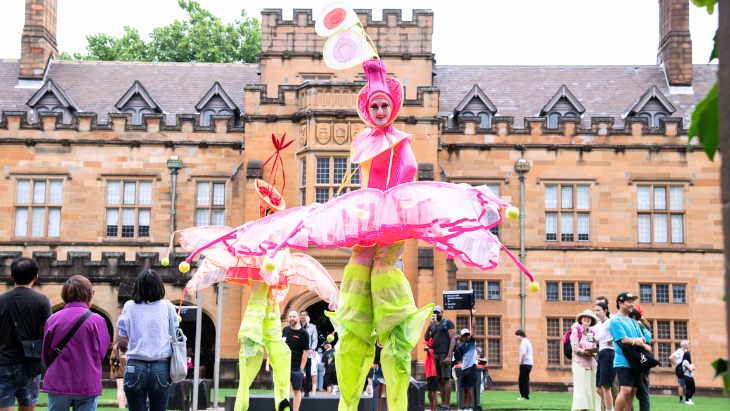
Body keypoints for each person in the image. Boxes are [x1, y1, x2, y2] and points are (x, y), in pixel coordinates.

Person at [42, 275, 111, 411]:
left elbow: (46, 353)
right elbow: (102, 353)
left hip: (58, 379)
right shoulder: (97, 320)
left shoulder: (53, 319)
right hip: (87, 380)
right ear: (88, 295)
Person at [117, 269, 178, 411]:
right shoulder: (168, 306)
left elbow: (123, 334)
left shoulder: (129, 306)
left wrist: (137, 340)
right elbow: (172, 333)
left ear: (138, 286)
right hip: (161, 366)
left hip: (135, 366)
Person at [0, 257, 52, 411]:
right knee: (27, 407)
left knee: (3, 405)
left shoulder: (1, 300)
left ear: (11, 276)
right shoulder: (42, 300)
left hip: (3, 361)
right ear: (35, 277)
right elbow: (48, 333)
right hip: (29, 363)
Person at [610, 292, 652, 411]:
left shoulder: (633, 322)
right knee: (625, 390)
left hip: (635, 361)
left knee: (633, 391)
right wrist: (640, 342)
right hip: (623, 360)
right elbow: (623, 339)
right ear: (620, 303)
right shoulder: (615, 320)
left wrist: (642, 341)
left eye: (632, 302)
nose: (632, 304)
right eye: (629, 302)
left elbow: (642, 337)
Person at [424, 306, 456, 411]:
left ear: (442, 312)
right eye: (434, 312)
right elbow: (426, 338)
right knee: (440, 380)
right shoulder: (434, 326)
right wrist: (429, 326)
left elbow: (452, 339)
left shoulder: (448, 323)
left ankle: (447, 405)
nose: (436, 314)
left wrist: (449, 356)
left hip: (445, 353)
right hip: (436, 355)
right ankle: (442, 405)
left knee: (446, 379)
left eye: (438, 312)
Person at [570, 310, 601, 411]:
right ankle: (580, 409)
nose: (587, 319)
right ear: (581, 319)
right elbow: (575, 348)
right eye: (585, 317)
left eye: (589, 317)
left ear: (591, 320)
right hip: (580, 363)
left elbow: (593, 346)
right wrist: (585, 351)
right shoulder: (576, 331)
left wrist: (593, 352)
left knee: (591, 389)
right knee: (581, 389)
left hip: (591, 365)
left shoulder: (591, 333)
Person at [283, 311, 309, 411]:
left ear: (298, 318)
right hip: (285, 366)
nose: (292, 318)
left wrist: (301, 368)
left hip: (297, 368)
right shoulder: (285, 330)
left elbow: (305, 352)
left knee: (296, 391)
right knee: (283, 391)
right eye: (290, 316)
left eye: (294, 316)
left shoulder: (303, 333)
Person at [628, 308, 651, 411]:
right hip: (645, 359)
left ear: (633, 317)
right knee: (643, 393)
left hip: (639, 360)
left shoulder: (637, 326)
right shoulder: (643, 326)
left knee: (633, 392)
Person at [593, 302, 614, 411]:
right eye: (595, 310)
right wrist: (595, 340)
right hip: (601, 354)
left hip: (608, 353)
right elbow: (602, 339)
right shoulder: (601, 324)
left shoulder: (610, 322)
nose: (596, 313)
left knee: (605, 387)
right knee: (598, 389)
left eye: (598, 310)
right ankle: (610, 408)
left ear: (605, 311)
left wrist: (612, 340)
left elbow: (620, 334)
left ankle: (609, 410)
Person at [458, 321, 477, 411]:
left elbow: (473, 327)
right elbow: (460, 356)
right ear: (462, 337)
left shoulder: (472, 342)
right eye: (465, 335)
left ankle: (470, 407)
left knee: (469, 387)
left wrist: (473, 316)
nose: (467, 336)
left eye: (468, 335)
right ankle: (464, 407)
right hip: (464, 368)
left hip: (471, 367)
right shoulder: (461, 346)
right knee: (464, 388)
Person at [300, 311, 318, 397]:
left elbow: (315, 339)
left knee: (308, 371)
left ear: (307, 316)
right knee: (298, 370)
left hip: (308, 352)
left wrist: (312, 349)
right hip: (298, 352)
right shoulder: (297, 326)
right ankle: (299, 388)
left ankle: (307, 390)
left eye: (304, 315)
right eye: (301, 315)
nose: (303, 316)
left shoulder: (312, 327)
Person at [515, 329, 533, 401]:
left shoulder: (523, 342)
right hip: (529, 363)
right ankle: (524, 395)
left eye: (518, 335)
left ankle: (525, 396)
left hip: (525, 363)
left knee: (523, 380)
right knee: (524, 380)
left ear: (521, 335)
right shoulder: (527, 341)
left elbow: (523, 353)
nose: (517, 337)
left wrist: (521, 363)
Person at [111, 339, 129, 408]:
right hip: (130, 369)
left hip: (119, 370)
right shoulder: (130, 343)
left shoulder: (117, 345)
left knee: (120, 389)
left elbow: (113, 358)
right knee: (127, 389)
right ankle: (124, 406)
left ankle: (121, 407)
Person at [424, 340, 438, 411]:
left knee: (433, 395)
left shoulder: (431, 351)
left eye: (427, 344)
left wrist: (426, 348)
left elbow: (427, 350)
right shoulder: (430, 352)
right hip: (429, 376)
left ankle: (434, 410)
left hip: (433, 376)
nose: (426, 345)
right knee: (429, 395)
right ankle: (432, 409)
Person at [372, 342, 386, 411]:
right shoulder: (375, 346)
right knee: (377, 394)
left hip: (386, 369)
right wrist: (372, 365)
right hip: (378, 369)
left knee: (389, 395)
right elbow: (372, 360)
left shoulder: (388, 344)